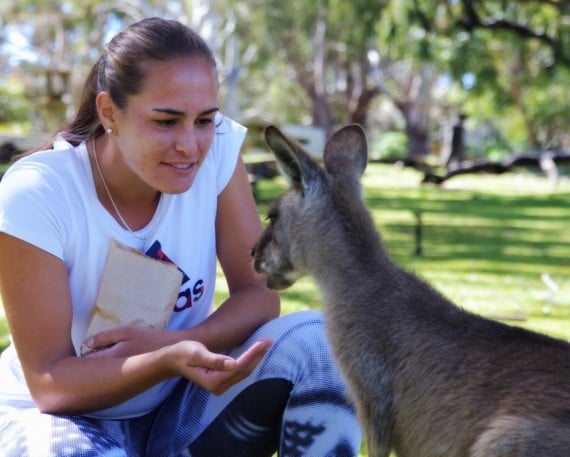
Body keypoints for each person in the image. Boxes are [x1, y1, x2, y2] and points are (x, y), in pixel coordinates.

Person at [0, 17, 361, 457]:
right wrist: (164, 360)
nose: (190, 145)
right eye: (166, 122)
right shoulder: (38, 192)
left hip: (181, 406)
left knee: (322, 343)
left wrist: (173, 347)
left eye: (204, 120)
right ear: (109, 111)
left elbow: (259, 294)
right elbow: (49, 385)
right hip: (62, 419)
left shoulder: (218, 154)